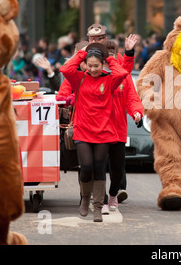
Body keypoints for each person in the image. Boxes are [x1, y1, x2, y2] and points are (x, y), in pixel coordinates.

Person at [59, 42, 129, 222]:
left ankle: (98, 207)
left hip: (103, 131)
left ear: (102, 64)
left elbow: (122, 73)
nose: (93, 69)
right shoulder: (79, 78)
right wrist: (82, 54)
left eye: (96, 66)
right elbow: (66, 69)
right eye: (89, 66)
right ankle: (84, 200)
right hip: (83, 130)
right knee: (87, 167)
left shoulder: (109, 79)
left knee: (99, 168)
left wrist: (109, 57)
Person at [102, 37, 142, 213]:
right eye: (106, 52)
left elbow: (132, 97)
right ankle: (100, 198)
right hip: (99, 129)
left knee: (118, 168)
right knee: (98, 166)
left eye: (112, 51)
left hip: (118, 129)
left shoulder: (122, 76)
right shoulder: (94, 75)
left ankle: (113, 194)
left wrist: (136, 112)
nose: (110, 55)